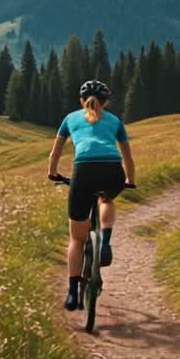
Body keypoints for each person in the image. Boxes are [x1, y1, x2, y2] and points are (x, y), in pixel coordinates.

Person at [47, 80, 136, 311]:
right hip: (112, 169)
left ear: (80, 101)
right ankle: (105, 240)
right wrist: (130, 180)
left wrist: (53, 174)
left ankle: (71, 294)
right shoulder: (115, 120)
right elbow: (127, 156)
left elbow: (54, 153)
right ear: (105, 102)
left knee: (76, 238)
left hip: (83, 171)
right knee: (106, 199)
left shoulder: (70, 118)